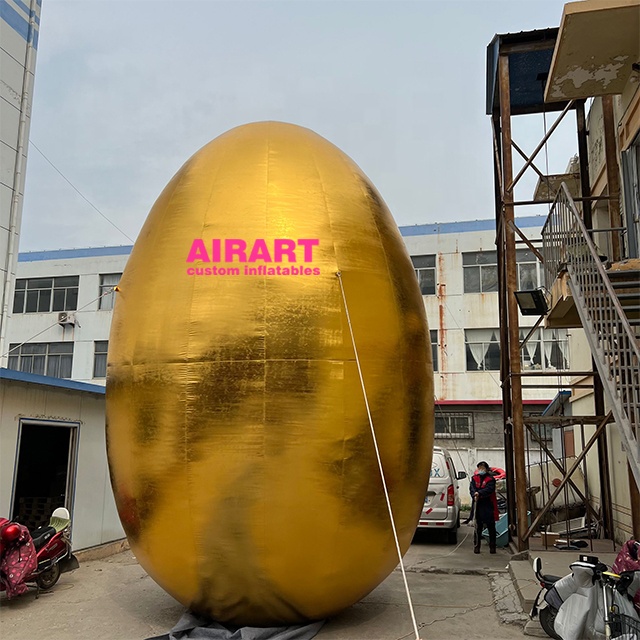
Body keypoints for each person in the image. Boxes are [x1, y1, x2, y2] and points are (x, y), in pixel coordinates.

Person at [470, 461, 499, 554]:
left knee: (491, 526)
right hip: (477, 504)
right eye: (479, 468)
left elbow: (489, 489)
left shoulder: (490, 479)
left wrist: (480, 493)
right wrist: (474, 494)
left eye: (483, 468)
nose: (481, 470)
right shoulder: (474, 478)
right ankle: (476, 546)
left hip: (488, 505)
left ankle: (492, 546)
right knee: (477, 527)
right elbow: (472, 488)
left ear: (486, 469)